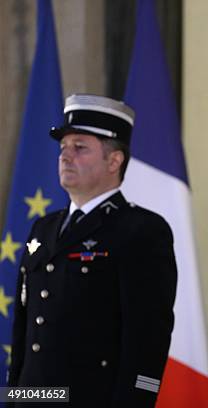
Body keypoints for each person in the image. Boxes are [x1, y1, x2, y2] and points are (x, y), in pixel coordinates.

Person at [9, 94, 177, 407]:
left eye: (80, 147)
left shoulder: (141, 231)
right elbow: (25, 334)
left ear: (114, 161)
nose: (65, 156)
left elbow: (147, 339)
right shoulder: (43, 229)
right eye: (63, 148)